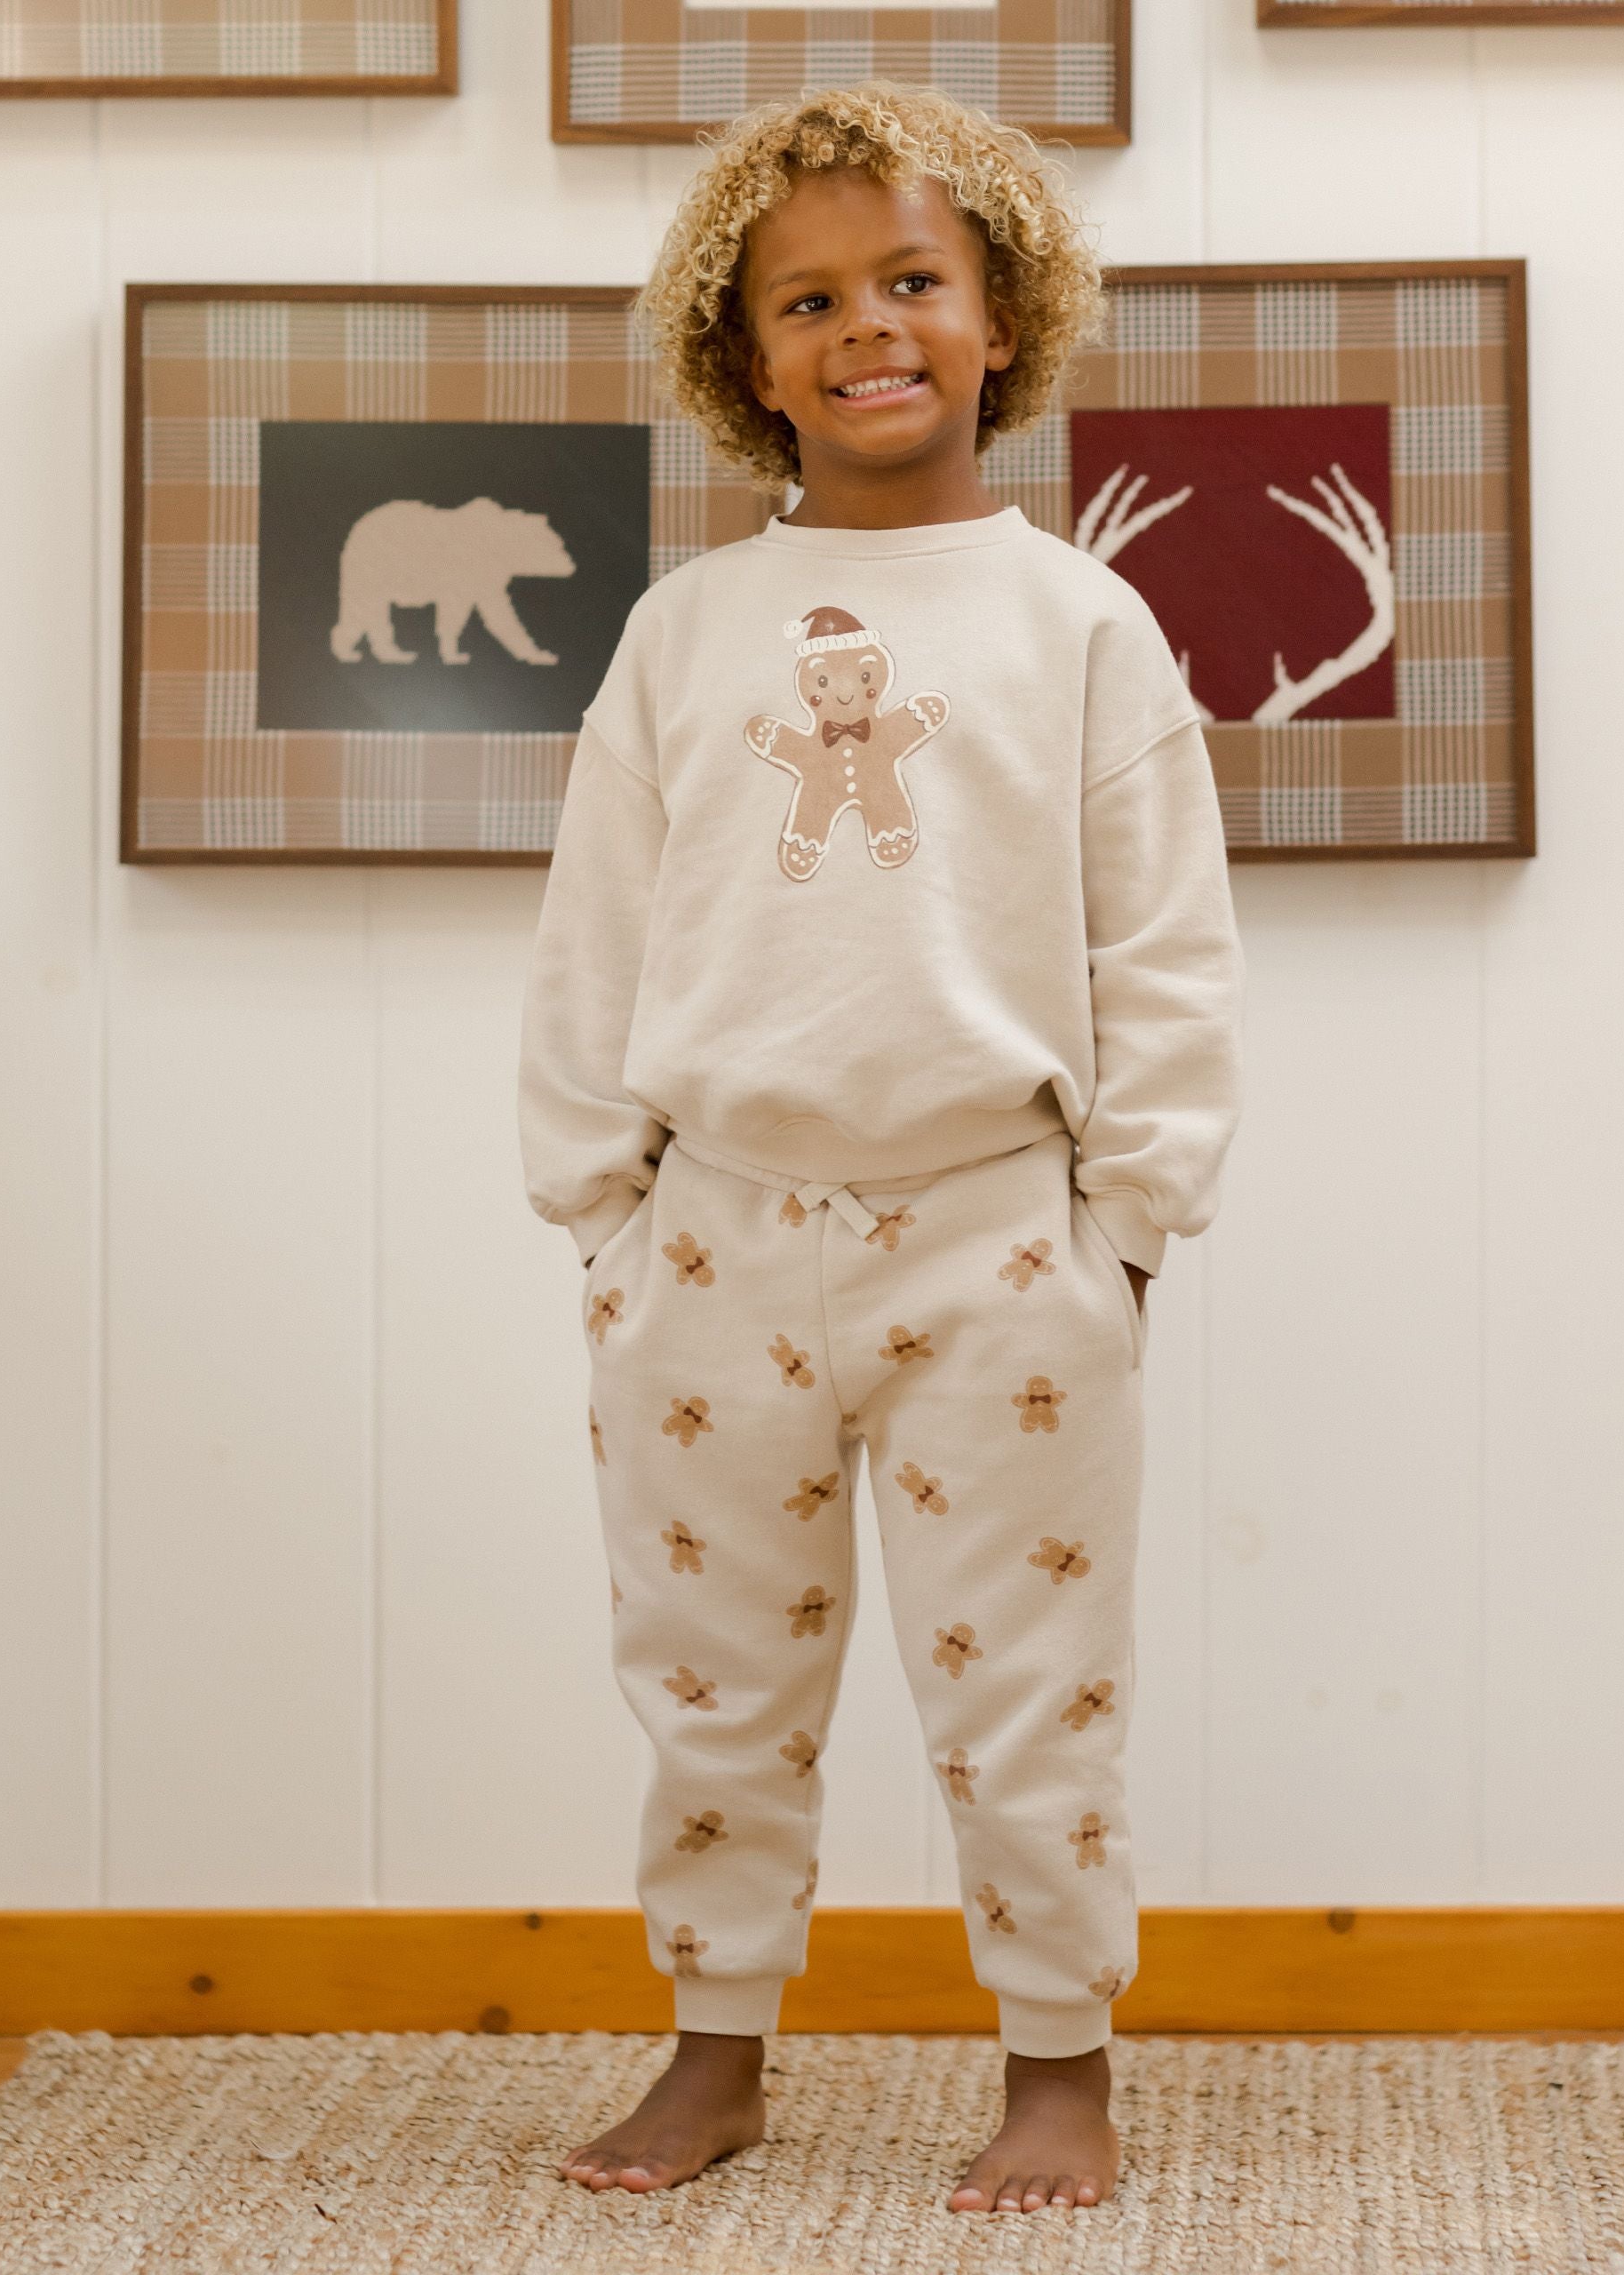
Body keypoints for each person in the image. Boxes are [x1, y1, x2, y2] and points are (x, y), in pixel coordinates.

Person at [517, 80, 1246, 2215]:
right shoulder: (685, 630)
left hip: (1002, 1243)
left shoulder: (1077, 621)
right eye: (809, 299)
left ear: (1000, 314)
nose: (867, 327)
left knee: (1031, 1687)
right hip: (712, 1240)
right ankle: (716, 2043)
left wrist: (1127, 1223)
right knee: (711, 1683)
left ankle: (1057, 2060)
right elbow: (597, 930)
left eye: (912, 279)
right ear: (747, 358)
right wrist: (604, 1210)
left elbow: (1163, 939)